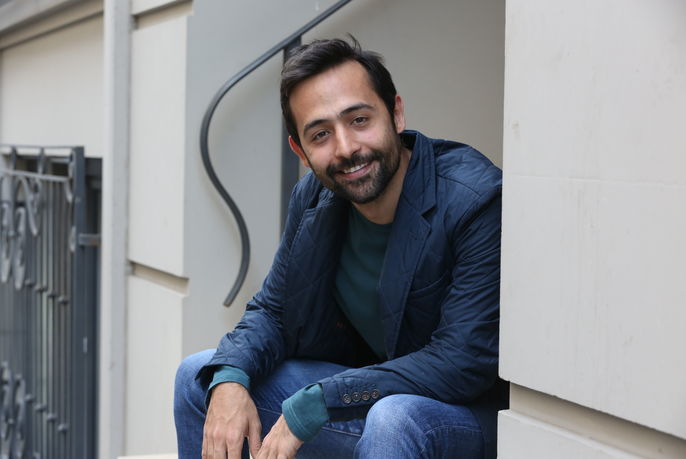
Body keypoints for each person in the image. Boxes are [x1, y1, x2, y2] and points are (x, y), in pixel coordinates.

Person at [174, 37, 507, 459]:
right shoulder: (314, 197)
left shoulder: (473, 199)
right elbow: (274, 312)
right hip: (373, 398)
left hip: (466, 417)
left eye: (359, 120)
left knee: (394, 418)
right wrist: (230, 377)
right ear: (300, 150)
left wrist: (321, 400)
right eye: (321, 134)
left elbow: (461, 361)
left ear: (396, 114)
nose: (347, 148)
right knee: (201, 379)